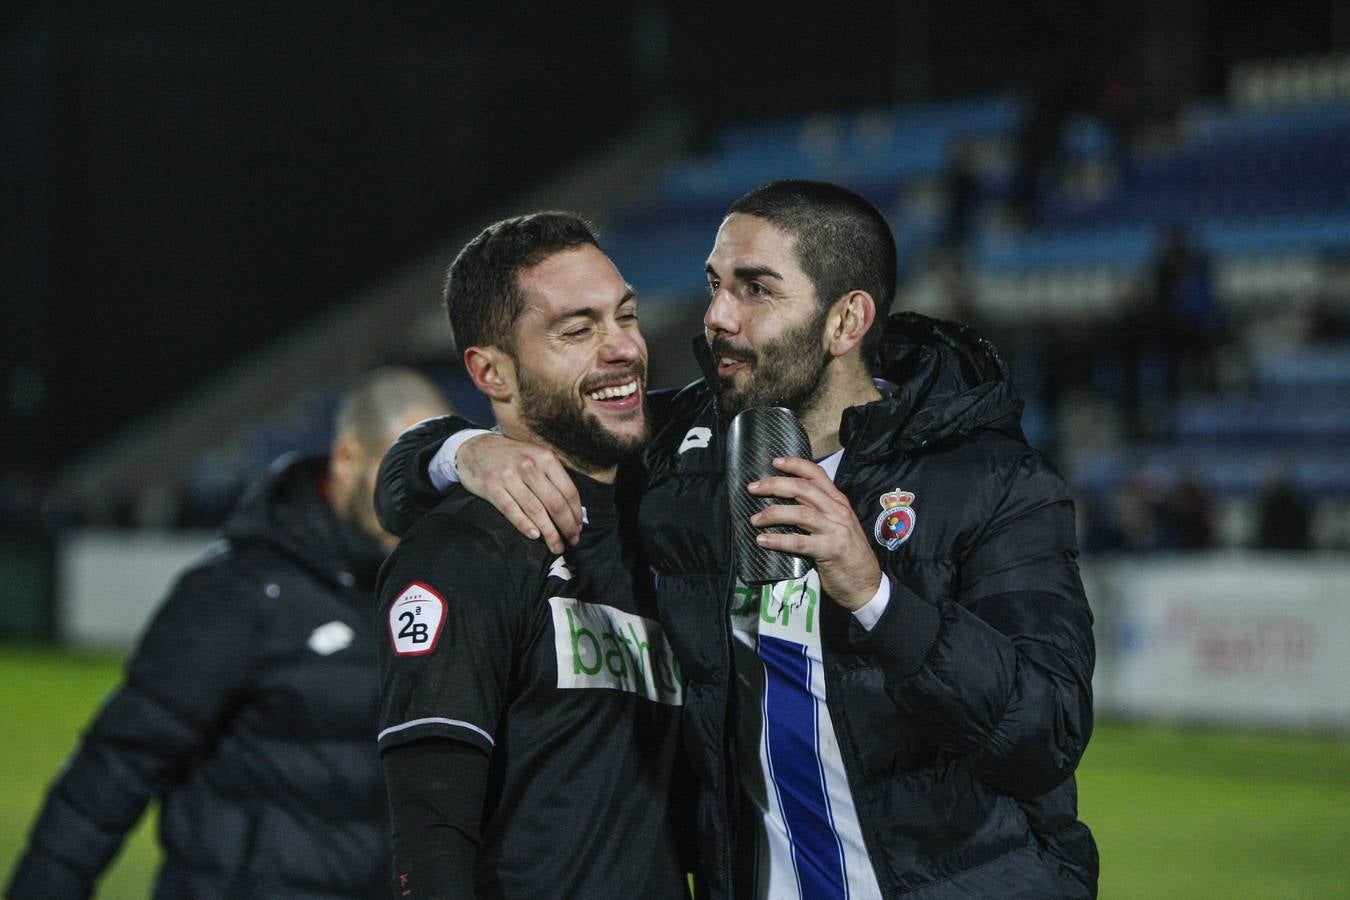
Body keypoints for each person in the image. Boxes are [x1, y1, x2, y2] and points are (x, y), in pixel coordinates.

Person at [380, 181, 1099, 897]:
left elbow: (1047, 733)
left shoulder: (992, 482)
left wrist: (874, 593)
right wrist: (465, 450)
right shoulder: (685, 451)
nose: (718, 316)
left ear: (845, 321)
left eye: (755, 289)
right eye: (714, 284)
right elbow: (423, 476)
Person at [5, 367, 452, 900]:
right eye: (395, 472)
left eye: (427, 478)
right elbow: (117, 764)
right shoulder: (240, 592)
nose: (412, 499)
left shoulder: (435, 592)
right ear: (348, 458)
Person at [374, 212, 690, 898]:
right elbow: (432, 835)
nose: (623, 349)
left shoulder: (673, 517)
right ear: (492, 371)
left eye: (625, 316)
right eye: (577, 331)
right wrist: (457, 450)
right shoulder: (466, 548)